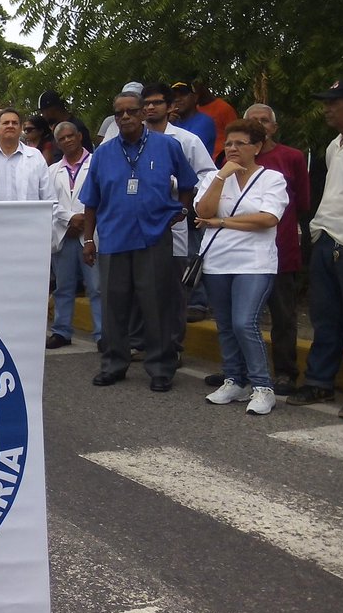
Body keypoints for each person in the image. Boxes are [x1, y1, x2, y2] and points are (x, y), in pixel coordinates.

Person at [80, 92, 197, 392]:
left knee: (156, 304)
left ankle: (160, 368)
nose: (125, 117)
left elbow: (187, 184)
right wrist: (88, 240)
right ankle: (114, 364)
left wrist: (182, 210)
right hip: (114, 238)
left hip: (154, 236)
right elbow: (90, 202)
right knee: (113, 305)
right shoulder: (103, 154)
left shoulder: (168, 145)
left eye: (132, 111)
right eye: (119, 113)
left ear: (143, 113)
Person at [287, 79, 343, 419]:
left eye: (334, 102)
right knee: (325, 319)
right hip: (326, 237)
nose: (326, 108)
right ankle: (320, 380)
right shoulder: (335, 146)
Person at [194, 119, 288, 415]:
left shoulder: (272, 179)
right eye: (229, 143)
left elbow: (267, 218)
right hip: (217, 261)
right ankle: (235, 380)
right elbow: (202, 211)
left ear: (257, 147)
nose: (232, 148)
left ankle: (263, 386)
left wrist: (222, 222)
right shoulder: (215, 177)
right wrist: (221, 177)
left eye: (240, 143)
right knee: (225, 325)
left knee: (244, 323)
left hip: (254, 262)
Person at [136, 83, 217, 354]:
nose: (150, 107)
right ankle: (142, 343)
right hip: (137, 223)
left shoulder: (186, 140)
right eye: (145, 103)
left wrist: (183, 192)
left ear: (170, 107)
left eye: (157, 102)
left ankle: (172, 348)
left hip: (174, 221)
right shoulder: (133, 139)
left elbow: (208, 175)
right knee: (139, 286)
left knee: (172, 289)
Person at [246, 104, 310, 394]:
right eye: (252, 120)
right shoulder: (233, 157)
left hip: (281, 248)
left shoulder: (291, 157)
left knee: (283, 315)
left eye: (264, 120)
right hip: (242, 251)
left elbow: (304, 202)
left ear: (274, 127)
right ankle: (239, 370)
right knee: (242, 314)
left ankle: (285, 372)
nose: (259, 124)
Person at [48, 122, 101, 350]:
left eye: (71, 136)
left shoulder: (97, 163)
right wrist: (70, 218)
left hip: (91, 233)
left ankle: (102, 334)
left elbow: (103, 196)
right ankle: (61, 331)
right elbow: (49, 202)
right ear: (58, 143)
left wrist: (83, 219)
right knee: (64, 286)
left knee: (96, 287)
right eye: (62, 139)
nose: (68, 140)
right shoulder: (52, 170)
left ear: (80, 136)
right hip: (65, 232)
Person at [0, 109, 55, 202]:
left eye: (14, 123)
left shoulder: (36, 156)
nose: (10, 126)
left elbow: (49, 197)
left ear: (21, 129)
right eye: (6, 123)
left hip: (28, 216)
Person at [37, 90, 94, 160]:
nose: (43, 115)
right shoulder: (55, 129)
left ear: (53, 109)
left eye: (43, 111)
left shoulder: (77, 127)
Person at [194, 78, 239, 161]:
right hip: (200, 158)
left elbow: (236, 133)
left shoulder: (224, 108)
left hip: (221, 158)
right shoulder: (193, 110)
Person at [170, 81, 217, 157]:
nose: (177, 99)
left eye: (183, 94)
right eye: (174, 96)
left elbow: (187, 151)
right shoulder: (172, 122)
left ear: (195, 98)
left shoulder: (204, 122)